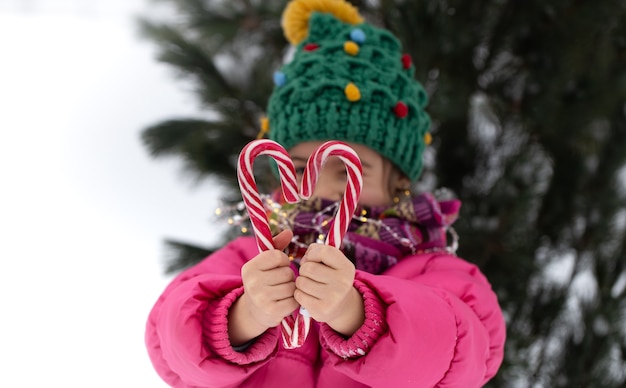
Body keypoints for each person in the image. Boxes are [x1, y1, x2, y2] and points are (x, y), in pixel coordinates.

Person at [145, 0, 506, 386]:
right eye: (301, 168)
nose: (321, 189)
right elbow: (171, 335)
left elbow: (462, 351)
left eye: (349, 171)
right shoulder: (251, 258)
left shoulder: (433, 269)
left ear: (398, 182)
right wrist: (245, 315)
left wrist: (357, 312)